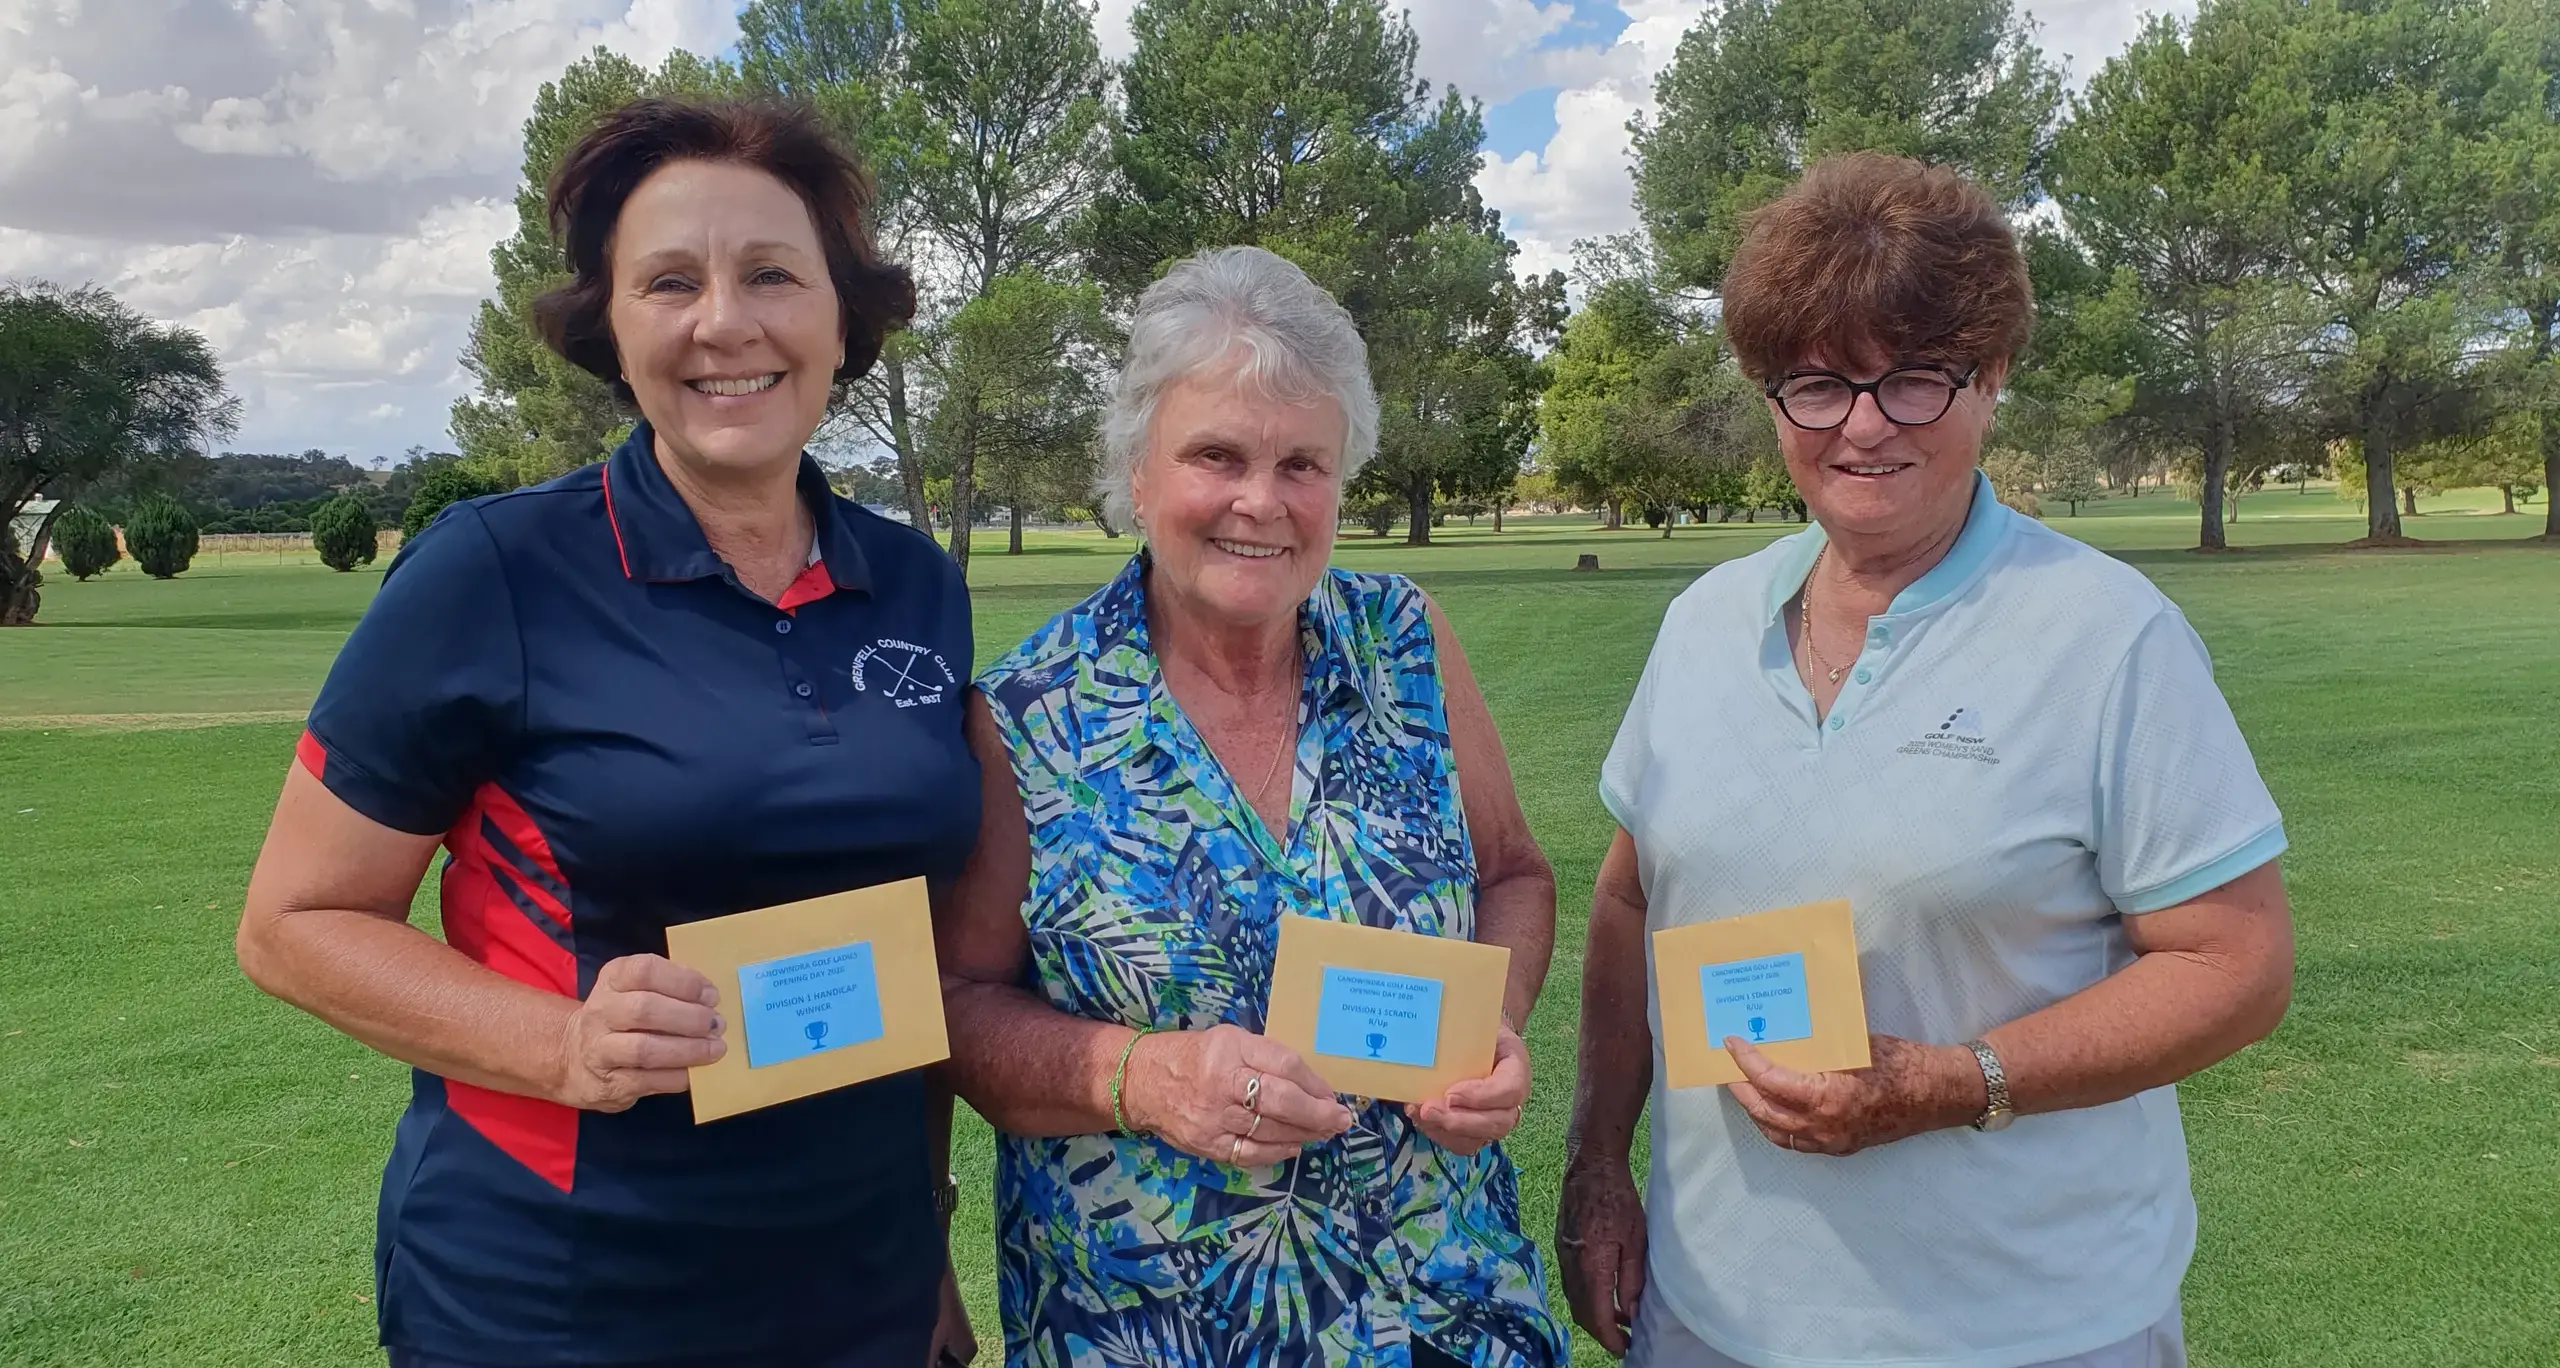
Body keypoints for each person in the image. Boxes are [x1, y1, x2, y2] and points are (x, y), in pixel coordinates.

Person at [235, 97, 979, 1368]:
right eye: (669, 282)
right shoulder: (494, 570)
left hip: (856, 1279)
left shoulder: (915, 582)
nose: (722, 323)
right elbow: (293, 927)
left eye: (771, 275)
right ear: (612, 330)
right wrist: (564, 1039)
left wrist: (927, 1241)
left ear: (841, 317)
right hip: (560, 1289)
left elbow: (907, 961)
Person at [1558, 152, 2296, 1368]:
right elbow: (1632, 895)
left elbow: (2238, 965)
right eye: (1817, 382)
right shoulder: (1702, 622)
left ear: (1990, 376)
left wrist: (1952, 1081)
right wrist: (1595, 1171)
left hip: (2029, 1328)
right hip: (1709, 1320)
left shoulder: (2108, 637)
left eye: (1912, 379)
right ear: (1769, 393)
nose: (1861, 425)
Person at [935, 246, 1569, 1368]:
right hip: (1146, 1327)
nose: (1259, 502)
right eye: (1215, 455)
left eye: (1301, 464)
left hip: (1440, 1310)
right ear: (1136, 472)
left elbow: (1510, 872)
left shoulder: (1405, 644)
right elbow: (961, 1006)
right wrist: (1145, 1078)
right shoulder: (1031, 714)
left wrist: (1496, 1024)